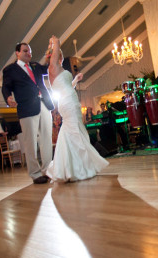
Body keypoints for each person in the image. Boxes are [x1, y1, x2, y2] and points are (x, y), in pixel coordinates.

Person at [46, 35, 108, 182]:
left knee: (73, 130)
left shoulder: (59, 69)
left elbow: (65, 86)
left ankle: (71, 167)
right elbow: (55, 50)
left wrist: (75, 81)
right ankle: (77, 168)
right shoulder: (52, 67)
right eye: (57, 55)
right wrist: (55, 42)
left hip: (70, 100)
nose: (59, 58)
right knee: (75, 130)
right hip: (67, 102)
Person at [2, 42, 54, 184]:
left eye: (30, 51)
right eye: (25, 51)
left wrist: (50, 53)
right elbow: (5, 87)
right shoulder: (10, 70)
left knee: (46, 139)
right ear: (17, 53)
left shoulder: (36, 66)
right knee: (30, 142)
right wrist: (8, 98)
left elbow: (48, 67)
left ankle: (48, 170)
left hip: (44, 103)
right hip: (26, 108)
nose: (28, 54)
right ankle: (35, 174)